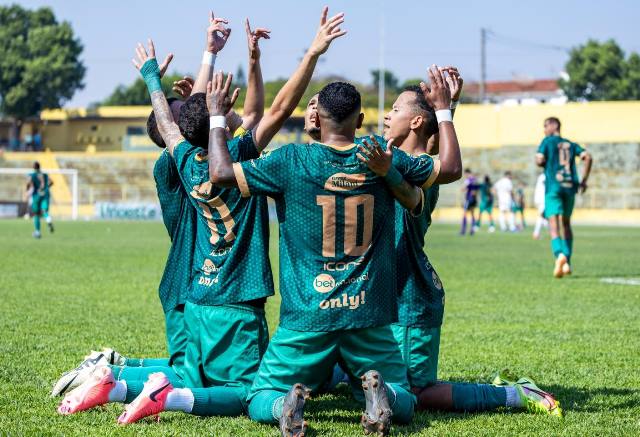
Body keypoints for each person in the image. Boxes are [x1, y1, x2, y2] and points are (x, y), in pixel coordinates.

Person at [536, 117, 593, 277]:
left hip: (553, 187)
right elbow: (588, 157)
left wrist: (542, 161)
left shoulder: (546, 142)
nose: (544, 129)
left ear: (554, 126)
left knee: (553, 224)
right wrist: (584, 181)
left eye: (545, 126)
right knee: (566, 224)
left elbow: (539, 160)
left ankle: (559, 255)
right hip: (570, 187)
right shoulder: (571, 144)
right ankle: (567, 261)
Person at [25, 161, 53, 238]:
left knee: (36, 214)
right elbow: (51, 182)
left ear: (33, 167)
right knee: (44, 211)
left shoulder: (32, 175)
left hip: (36, 195)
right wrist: (45, 188)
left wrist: (27, 191)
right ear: (39, 167)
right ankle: (49, 221)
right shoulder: (45, 175)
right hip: (45, 194)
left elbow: (28, 183)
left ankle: (37, 231)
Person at [460, 168, 479, 235]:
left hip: (469, 199)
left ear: (467, 173)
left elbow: (462, 188)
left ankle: (463, 231)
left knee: (465, 214)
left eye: (465, 174)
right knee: (472, 214)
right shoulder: (475, 180)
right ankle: (472, 230)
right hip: (474, 199)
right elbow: (476, 190)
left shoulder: (468, 180)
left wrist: (465, 189)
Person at [532, 173, 548, 239]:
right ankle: (536, 233)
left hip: (541, 199)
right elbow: (545, 183)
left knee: (544, 216)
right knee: (542, 216)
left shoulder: (542, 175)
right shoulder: (544, 176)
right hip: (543, 199)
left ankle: (552, 230)